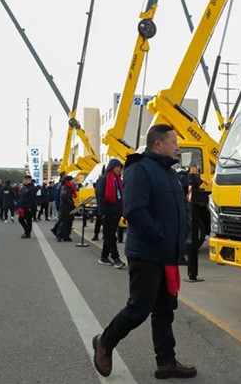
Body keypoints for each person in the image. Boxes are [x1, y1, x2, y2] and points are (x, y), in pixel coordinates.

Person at [93, 124, 195, 379]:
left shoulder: (169, 173)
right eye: (174, 142)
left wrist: (184, 230)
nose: (177, 146)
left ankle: (166, 362)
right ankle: (105, 342)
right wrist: (160, 234)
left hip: (167, 254)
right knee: (139, 308)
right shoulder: (140, 169)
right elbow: (135, 211)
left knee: (164, 308)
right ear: (158, 144)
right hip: (148, 253)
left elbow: (178, 207)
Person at [95, 158, 125, 268]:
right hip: (107, 213)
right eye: (117, 167)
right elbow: (100, 197)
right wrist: (103, 212)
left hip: (116, 212)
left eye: (120, 167)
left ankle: (104, 256)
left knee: (109, 235)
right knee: (111, 236)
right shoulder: (104, 179)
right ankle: (116, 258)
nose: (118, 169)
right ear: (111, 167)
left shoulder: (117, 179)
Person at [57, 175, 77, 242]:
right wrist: (71, 203)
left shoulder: (70, 187)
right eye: (71, 180)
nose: (73, 181)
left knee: (69, 222)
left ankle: (67, 236)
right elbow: (64, 196)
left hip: (69, 207)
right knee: (64, 222)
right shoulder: (65, 187)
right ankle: (59, 235)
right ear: (68, 181)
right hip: (65, 207)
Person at [50, 172, 66, 237]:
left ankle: (56, 229)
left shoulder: (57, 184)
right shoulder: (61, 185)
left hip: (58, 203)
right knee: (62, 219)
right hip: (60, 203)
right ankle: (57, 231)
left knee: (61, 218)